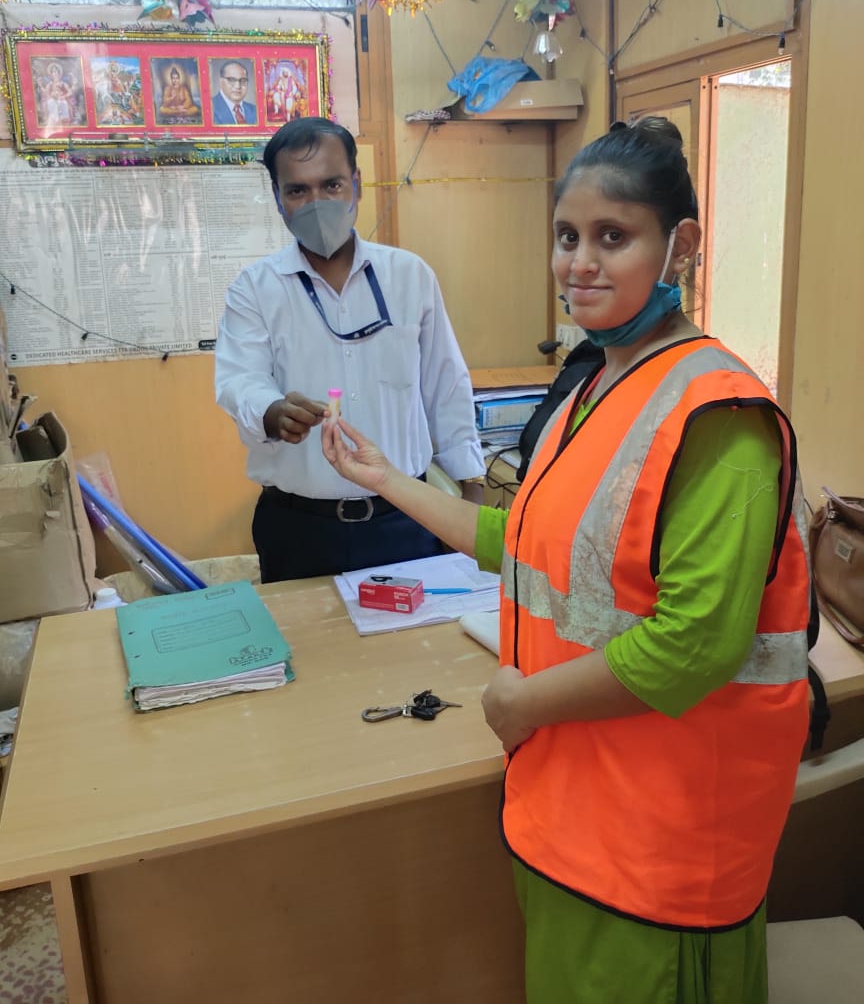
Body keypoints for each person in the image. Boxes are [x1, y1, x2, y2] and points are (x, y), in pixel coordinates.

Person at [320, 117, 812, 1004]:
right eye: (567, 236)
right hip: (572, 813)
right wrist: (387, 479)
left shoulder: (722, 417)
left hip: (660, 851)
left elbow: (694, 644)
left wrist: (520, 703)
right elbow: (521, 541)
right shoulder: (597, 387)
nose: (579, 263)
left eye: (612, 237)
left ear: (682, 245)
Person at [214, 116, 485, 583]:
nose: (316, 203)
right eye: (297, 191)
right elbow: (239, 380)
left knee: (423, 632)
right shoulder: (255, 289)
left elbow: (446, 387)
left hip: (407, 519)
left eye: (332, 185)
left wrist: (471, 498)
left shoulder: (410, 276)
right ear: (278, 198)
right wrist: (271, 412)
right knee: (306, 633)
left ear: (356, 184)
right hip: (298, 528)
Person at [212, 60, 258, 126]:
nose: (238, 86)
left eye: (243, 80)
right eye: (231, 80)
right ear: (221, 82)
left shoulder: (255, 110)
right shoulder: (209, 109)